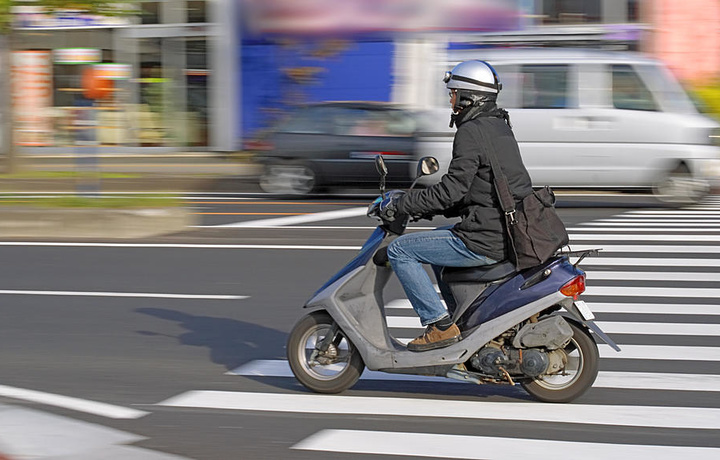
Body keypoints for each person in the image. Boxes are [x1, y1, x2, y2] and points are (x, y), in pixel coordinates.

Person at [379, 60, 534, 352]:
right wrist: (427, 208)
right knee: (437, 253)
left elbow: (452, 189)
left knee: (400, 251)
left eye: (453, 94)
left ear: (467, 97)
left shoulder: (471, 132)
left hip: (485, 238)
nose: (450, 100)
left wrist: (402, 203)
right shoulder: (499, 126)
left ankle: (439, 326)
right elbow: (480, 189)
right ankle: (461, 323)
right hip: (502, 230)